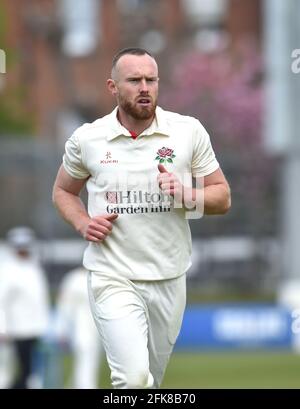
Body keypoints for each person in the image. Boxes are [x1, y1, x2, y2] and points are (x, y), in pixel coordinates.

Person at [52, 47, 231, 389]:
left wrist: (186, 194)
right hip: (112, 274)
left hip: (169, 276)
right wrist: (83, 222)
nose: (145, 87)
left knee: (152, 380)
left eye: (151, 79)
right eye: (134, 80)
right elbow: (63, 191)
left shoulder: (187, 131)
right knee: (133, 380)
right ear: (113, 87)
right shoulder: (88, 138)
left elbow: (222, 197)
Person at [0, 227, 50, 389]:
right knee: (20, 371)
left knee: (31, 372)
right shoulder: (7, 271)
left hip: (35, 329)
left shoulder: (34, 268)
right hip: (16, 330)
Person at [54, 266, 104, 388]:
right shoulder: (74, 279)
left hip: (96, 329)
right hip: (80, 327)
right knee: (86, 363)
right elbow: (64, 306)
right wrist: (62, 330)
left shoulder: (100, 276)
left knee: (89, 363)